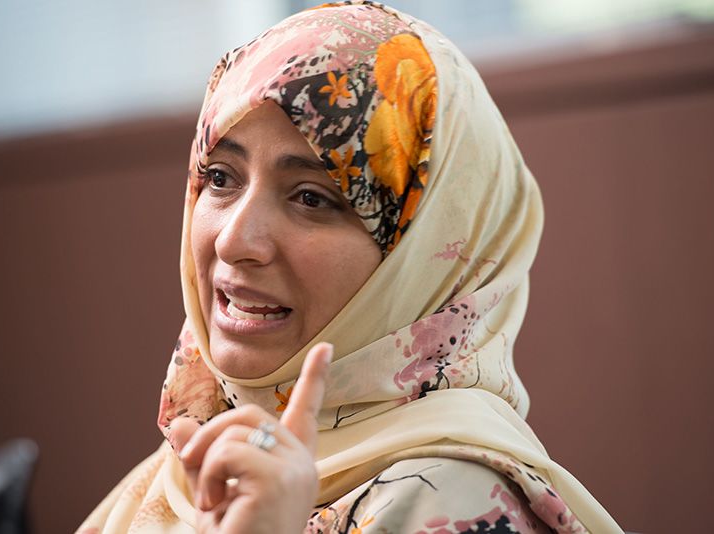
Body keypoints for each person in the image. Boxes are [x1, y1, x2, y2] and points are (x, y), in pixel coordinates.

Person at [79, 2, 623, 532]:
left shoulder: (448, 499)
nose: (235, 241)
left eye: (311, 197)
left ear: (421, 259)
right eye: (220, 177)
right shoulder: (186, 464)